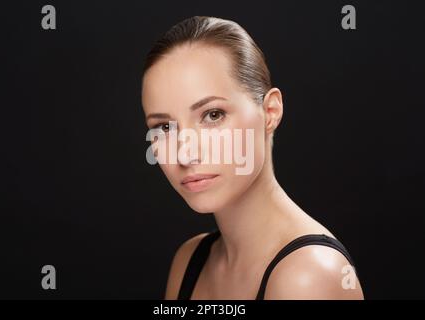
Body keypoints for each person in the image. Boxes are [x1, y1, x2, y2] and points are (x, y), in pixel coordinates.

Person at [141, 16, 364, 300]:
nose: (185, 153)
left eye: (213, 115)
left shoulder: (310, 276)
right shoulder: (189, 261)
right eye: (164, 127)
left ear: (270, 112)